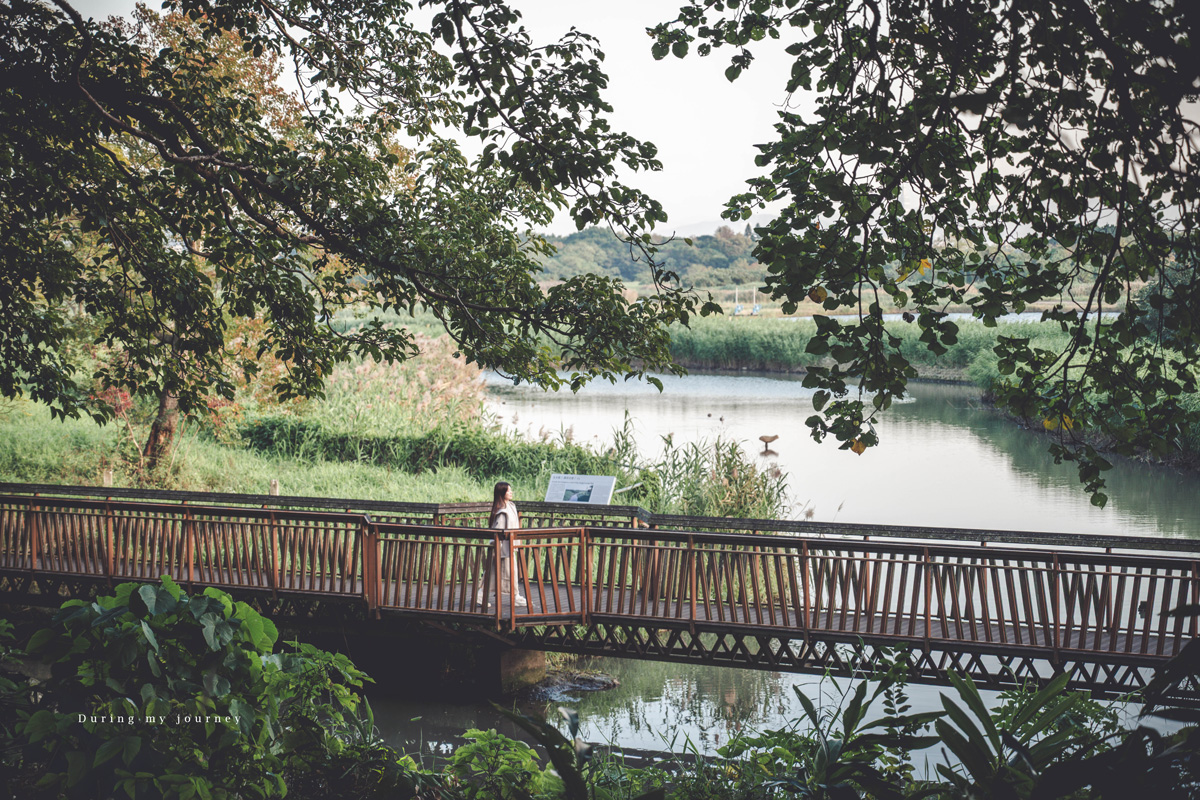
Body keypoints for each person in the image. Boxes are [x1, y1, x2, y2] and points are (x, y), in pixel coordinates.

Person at [477, 481, 528, 608]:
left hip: (509, 546)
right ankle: (482, 595)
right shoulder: (501, 511)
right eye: (508, 490)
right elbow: (497, 531)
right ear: (502, 493)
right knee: (494, 571)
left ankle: (513, 596)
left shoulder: (510, 506)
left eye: (511, 490)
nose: (511, 492)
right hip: (501, 547)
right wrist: (495, 548)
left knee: (508, 571)